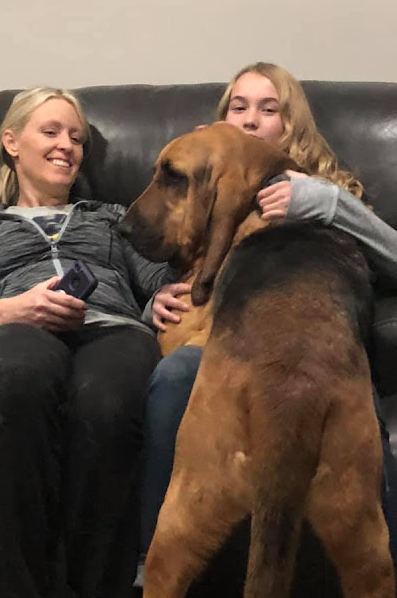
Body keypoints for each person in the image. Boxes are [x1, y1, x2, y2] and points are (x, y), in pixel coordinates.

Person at [136, 62, 397, 586]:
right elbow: (169, 267)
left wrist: (329, 203)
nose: (251, 119)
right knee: (173, 376)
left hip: (323, 346)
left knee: (355, 394)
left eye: (268, 108)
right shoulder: (205, 183)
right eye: (238, 107)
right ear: (222, 121)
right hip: (229, 343)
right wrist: (152, 301)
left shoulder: (332, 189)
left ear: (291, 123)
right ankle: (148, 564)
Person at [0, 87, 175, 598]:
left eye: (77, 138)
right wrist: (6, 310)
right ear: (12, 142)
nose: (67, 146)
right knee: (23, 373)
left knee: (109, 398)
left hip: (111, 331)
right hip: (8, 337)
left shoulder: (110, 217)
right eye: (51, 131)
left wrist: (164, 298)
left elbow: (158, 279)